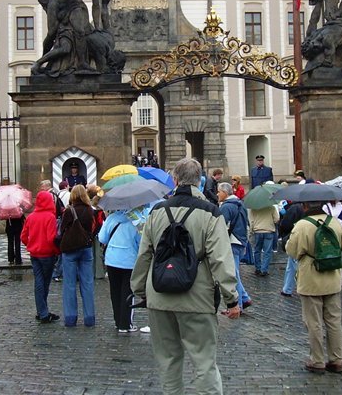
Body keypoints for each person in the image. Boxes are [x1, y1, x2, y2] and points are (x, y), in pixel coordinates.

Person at [130, 157, 241, 395]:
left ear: (175, 180)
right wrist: (231, 298)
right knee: (204, 362)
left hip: (158, 295)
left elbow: (144, 255)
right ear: (199, 182)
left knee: (168, 361)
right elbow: (221, 260)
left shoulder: (157, 211)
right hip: (197, 297)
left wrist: (140, 290)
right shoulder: (211, 212)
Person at [286, 200, 342, 374]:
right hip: (332, 276)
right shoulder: (334, 222)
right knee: (334, 320)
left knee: (313, 322)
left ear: (305, 206)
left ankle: (317, 360)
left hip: (310, 278)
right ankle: (336, 359)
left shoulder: (302, 225)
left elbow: (291, 251)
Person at [98, 204, 143, 332]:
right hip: (129, 260)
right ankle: (125, 323)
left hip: (112, 259)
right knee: (127, 292)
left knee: (115, 291)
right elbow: (141, 242)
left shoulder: (111, 218)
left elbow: (102, 238)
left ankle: (118, 321)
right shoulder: (137, 220)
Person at [20, 190, 60, 324]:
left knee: (38, 281)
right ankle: (43, 312)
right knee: (44, 283)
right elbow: (51, 238)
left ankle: (42, 310)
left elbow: (23, 237)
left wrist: (31, 244)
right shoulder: (50, 217)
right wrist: (56, 251)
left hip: (34, 254)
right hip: (47, 254)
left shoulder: (31, 217)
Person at [59, 184, 96, 327]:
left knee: (69, 284)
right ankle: (89, 318)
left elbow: (62, 229)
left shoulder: (69, 211)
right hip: (86, 248)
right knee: (87, 284)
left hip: (70, 249)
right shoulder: (89, 210)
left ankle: (70, 317)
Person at [217, 181, 252, 309]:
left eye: (219, 191)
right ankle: (244, 298)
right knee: (235, 272)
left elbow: (221, 226)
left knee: (233, 274)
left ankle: (239, 304)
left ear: (225, 193)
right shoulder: (240, 204)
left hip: (232, 241)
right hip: (241, 240)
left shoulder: (226, 207)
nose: (217, 194)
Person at [280, 199, 305, 297]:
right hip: (307, 239)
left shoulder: (294, 208)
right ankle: (287, 289)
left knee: (292, 265)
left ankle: (288, 289)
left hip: (295, 238)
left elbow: (285, 224)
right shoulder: (314, 208)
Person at [250, 199, 279, 277]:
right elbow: (276, 219)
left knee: (257, 250)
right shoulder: (271, 208)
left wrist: (251, 231)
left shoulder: (254, 208)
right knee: (267, 252)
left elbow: (251, 221)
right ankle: (264, 270)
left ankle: (258, 269)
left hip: (257, 231)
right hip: (269, 231)